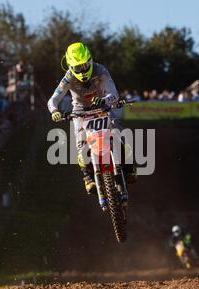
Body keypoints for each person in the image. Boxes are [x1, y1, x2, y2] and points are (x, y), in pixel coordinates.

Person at [47, 42, 137, 194]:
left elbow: (114, 93)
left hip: (102, 106)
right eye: (77, 68)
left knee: (118, 132)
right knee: (80, 143)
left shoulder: (100, 69)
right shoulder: (68, 78)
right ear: (70, 67)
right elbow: (53, 100)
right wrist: (54, 111)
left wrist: (105, 100)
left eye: (84, 65)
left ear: (90, 60)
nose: (82, 70)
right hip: (80, 112)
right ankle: (88, 176)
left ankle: (129, 166)